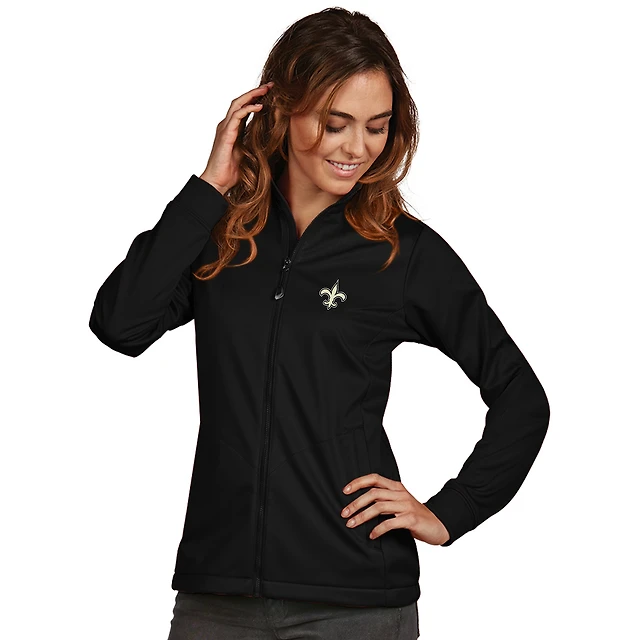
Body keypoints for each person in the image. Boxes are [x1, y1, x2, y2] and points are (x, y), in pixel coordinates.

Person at [88, 7, 550, 640]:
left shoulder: (402, 253)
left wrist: (450, 512)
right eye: (336, 124)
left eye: (376, 127)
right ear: (281, 111)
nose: (357, 148)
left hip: (354, 602)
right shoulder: (223, 235)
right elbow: (120, 324)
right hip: (216, 596)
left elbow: (522, 396)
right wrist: (209, 189)